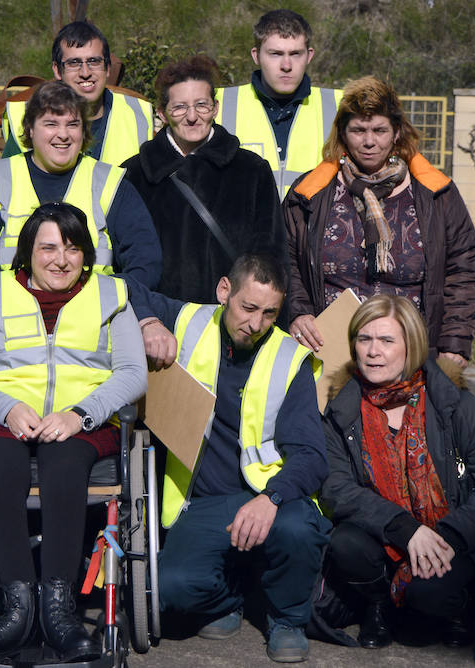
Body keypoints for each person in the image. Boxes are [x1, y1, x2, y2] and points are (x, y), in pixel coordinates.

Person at [0, 202, 146, 663]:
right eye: (48, 248)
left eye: (73, 249)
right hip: (4, 416)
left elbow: (133, 373)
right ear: (27, 254)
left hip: (81, 421)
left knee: (65, 465)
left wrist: (81, 414)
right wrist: (6, 407)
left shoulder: (111, 296)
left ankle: (59, 610)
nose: (61, 259)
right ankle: (18, 611)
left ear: (86, 255)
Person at [128, 253, 331, 664]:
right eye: (248, 308)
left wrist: (271, 499)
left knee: (298, 530)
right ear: (224, 292)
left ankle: (287, 618)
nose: (255, 324)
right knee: (170, 590)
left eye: (269, 313)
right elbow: (122, 290)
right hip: (204, 501)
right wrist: (149, 323)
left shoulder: (289, 358)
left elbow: (312, 456)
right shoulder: (188, 320)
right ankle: (229, 600)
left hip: (270, 498)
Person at [321, 295, 475, 663]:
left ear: (412, 346)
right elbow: (336, 488)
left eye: (387, 341)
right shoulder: (341, 408)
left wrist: (448, 536)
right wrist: (403, 527)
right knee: (344, 545)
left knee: (430, 597)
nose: (373, 351)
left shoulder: (452, 403)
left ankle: (461, 607)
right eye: (364, 339)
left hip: (451, 534)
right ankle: (378, 605)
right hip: (388, 532)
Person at [284, 75, 475, 367]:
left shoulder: (436, 194)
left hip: (412, 356)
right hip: (330, 353)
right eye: (358, 130)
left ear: (397, 132)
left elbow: (462, 268)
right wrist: (298, 312)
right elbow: (284, 258)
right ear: (342, 133)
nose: (369, 141)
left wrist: (455, 342)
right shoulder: (309, 194)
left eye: (379, 130)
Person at [122, 55, 284, 356]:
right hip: (158, 333)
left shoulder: (251, 171)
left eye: (201, 105)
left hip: (235, 332)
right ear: (162, 113)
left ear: (215, 108)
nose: (192, 116)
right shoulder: (134, 175)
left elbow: (271, 255)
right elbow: (125, 264)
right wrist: (145, 319)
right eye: (180, 107)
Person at [0, 80, 162, 293]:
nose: (63, 134)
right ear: (30, 129)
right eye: (51, 124)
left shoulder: (112, 183)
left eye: (72, 124)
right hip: (13, 319)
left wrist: (108, 302)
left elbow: (145, 262)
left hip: (94, 320)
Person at [215, 9, 343, 197]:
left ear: (309, 56)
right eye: (275, 54)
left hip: (314, 225)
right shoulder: (216, 104)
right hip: (243, 226)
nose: (286, 65)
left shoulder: (342, 105)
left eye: (295, 54)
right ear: (256, 55)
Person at [0, 20, 153, 165]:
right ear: (57, 70)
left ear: (107, 67)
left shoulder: (138, 115)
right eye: (74, 63)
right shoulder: (24, 117)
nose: (85, 72)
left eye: (94, 61)